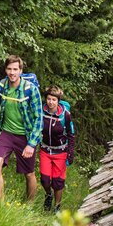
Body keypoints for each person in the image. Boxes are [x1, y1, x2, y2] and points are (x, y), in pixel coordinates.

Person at [0, 55, 43, 201]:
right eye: (9, 69)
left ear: (21, 70)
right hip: (6, 133)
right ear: (5, 69)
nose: (12, 73)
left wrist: (31, 144)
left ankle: (29, 206)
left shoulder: (31, 90)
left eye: (15, 69)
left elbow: (39, 118)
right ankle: (0, 203)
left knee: (29, 173)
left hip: (25, 135)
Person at [39, 85, 75, 213]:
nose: (51, 102)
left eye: (54, 100)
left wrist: (70, 153)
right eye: (49, 99)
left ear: (58, 101)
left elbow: (71, 134)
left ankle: (57, 206)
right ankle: (48, 195)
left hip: (60, 152)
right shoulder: (41, 111)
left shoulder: (65, 115)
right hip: (45, 150)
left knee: (58, 182)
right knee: (44, 179)